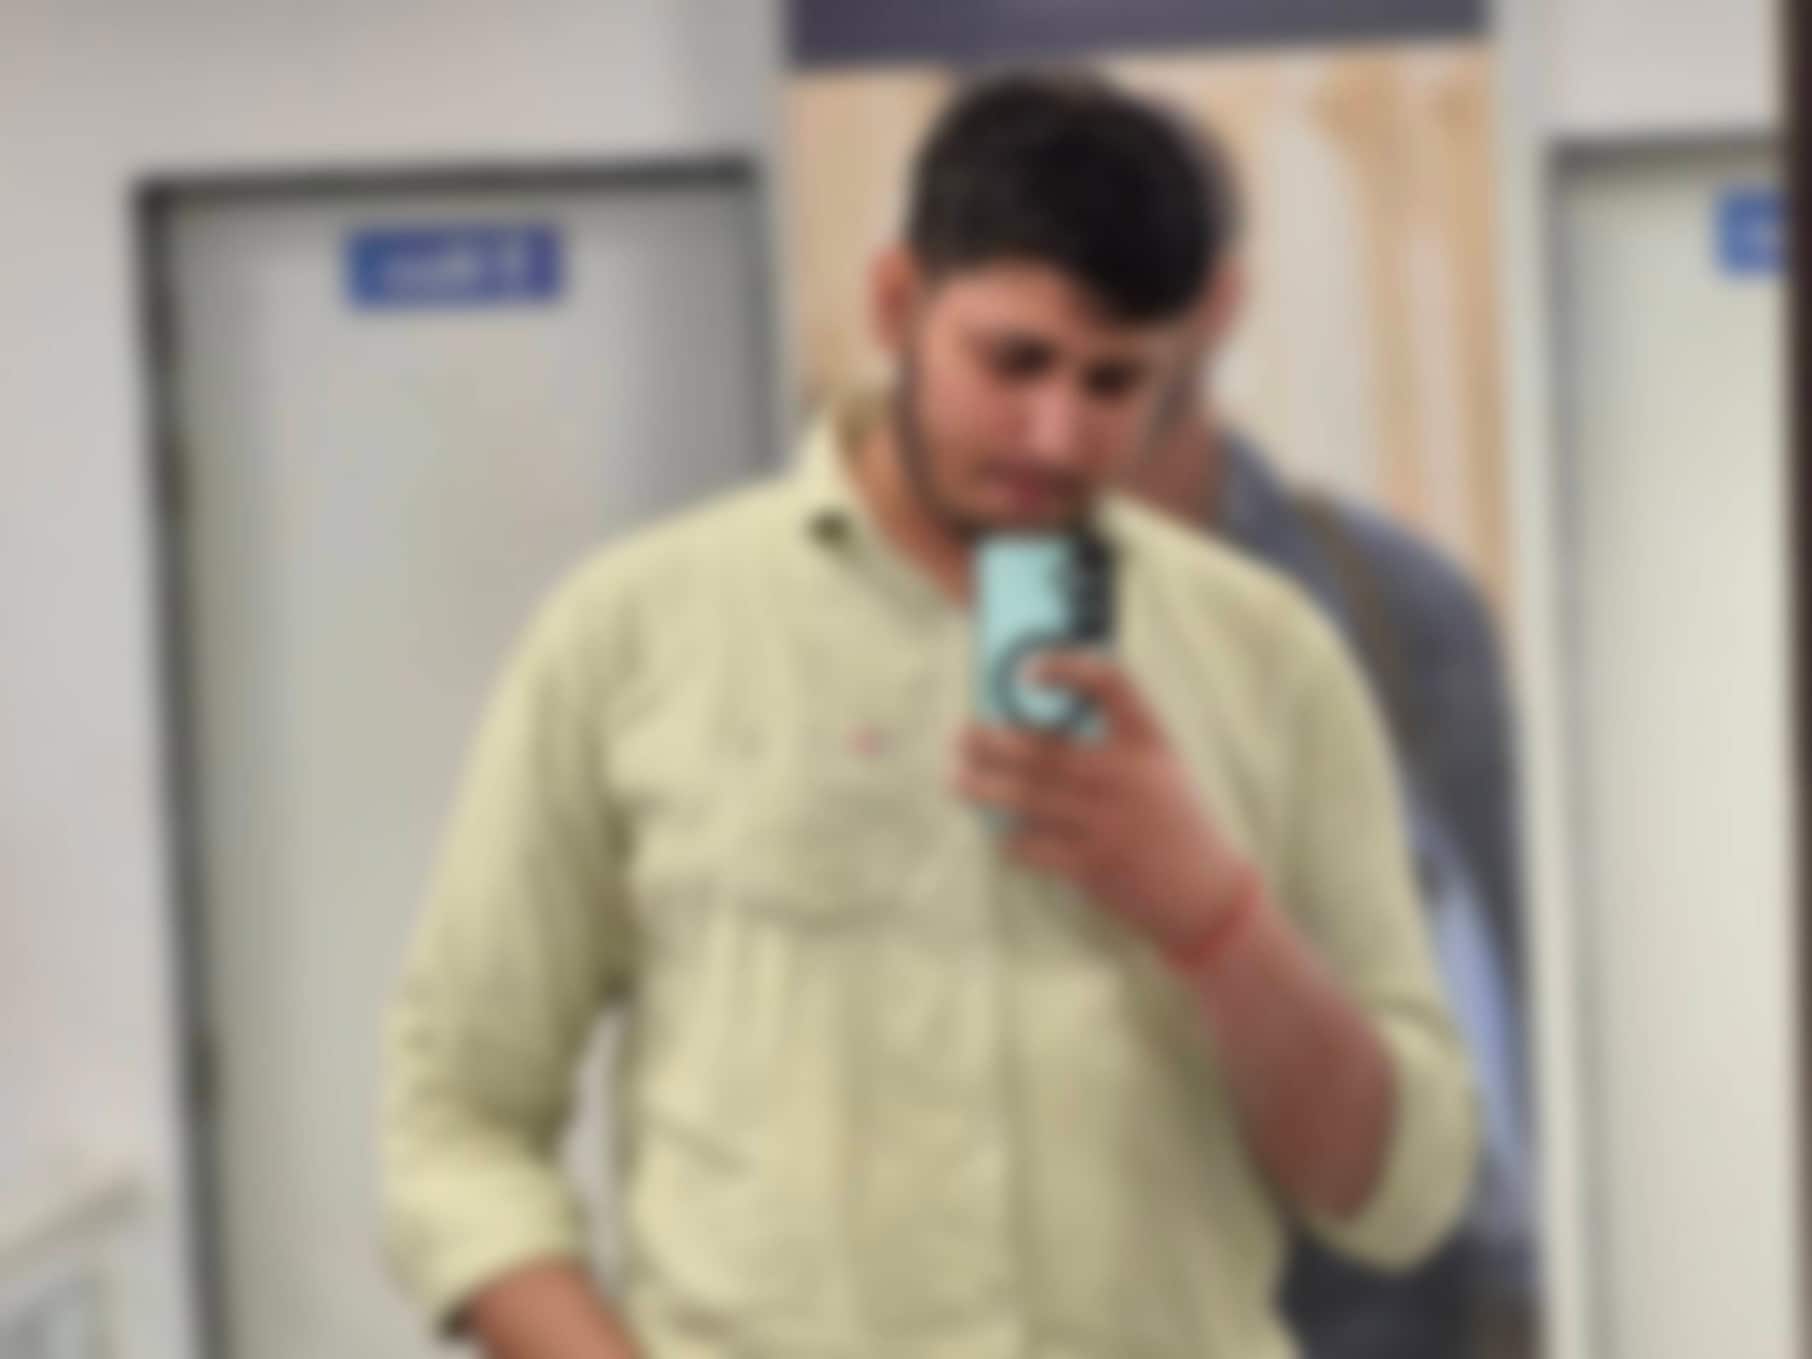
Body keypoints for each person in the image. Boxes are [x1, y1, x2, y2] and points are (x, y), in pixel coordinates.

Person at [380, 70, 1479, 1359]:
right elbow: (455, 1122)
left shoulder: (1270, 659)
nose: (1056, 434)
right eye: (1015, 361)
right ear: (897, 303)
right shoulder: (634, 635)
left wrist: (1215, 917)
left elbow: (1395, 1193)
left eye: (1114, 382)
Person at [1122, 134, 1535, 1359]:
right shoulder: (912, 609)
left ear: (1218, 300)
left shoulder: (1391, 606)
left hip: (1351, 1311)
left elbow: (1487, 993)